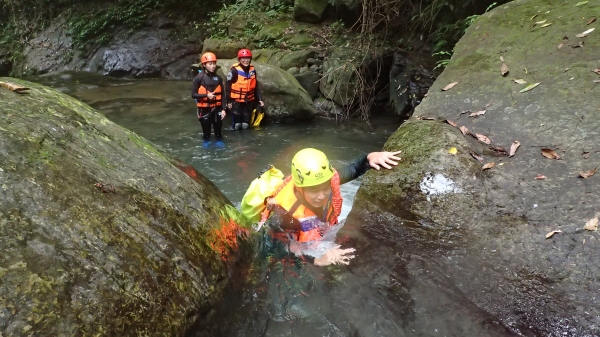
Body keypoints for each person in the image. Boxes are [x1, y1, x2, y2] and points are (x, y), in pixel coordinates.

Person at [259, 148, 402, 266]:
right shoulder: (284, 212)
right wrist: (317, 260)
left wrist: (369, 158)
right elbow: (276, 246)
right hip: (299, 248)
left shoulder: (328, 180)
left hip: (320, 232)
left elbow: (353, 169)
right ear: (300, 188)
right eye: (314, 190)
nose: (321, 196)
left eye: (325, 188)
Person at [191, 52, 227, 147]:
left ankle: (218, 141)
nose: (213, 66)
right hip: (204, 109)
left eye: (214, 64)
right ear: (204, 65)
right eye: (210, 64)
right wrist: (206, 96)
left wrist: (224, 109)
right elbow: (193, 95)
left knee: (218, 132)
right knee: (206, 133)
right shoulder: (198, 78)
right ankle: (206, 143)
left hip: (217, 108)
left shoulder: (218, 78)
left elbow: (223, 95)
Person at [225, 48, 265, 131]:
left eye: (248, 58)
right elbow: (228, 86)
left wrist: (260, 99)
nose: (246, 60)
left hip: (248, 101)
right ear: (239, 59)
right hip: (236, 102)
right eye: (243, 59)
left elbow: (255, 86)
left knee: (245, 125)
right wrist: (228, 101)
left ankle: (246, 142)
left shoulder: (252, 70)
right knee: (237, 125)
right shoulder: (234, 71)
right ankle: (236, 141)